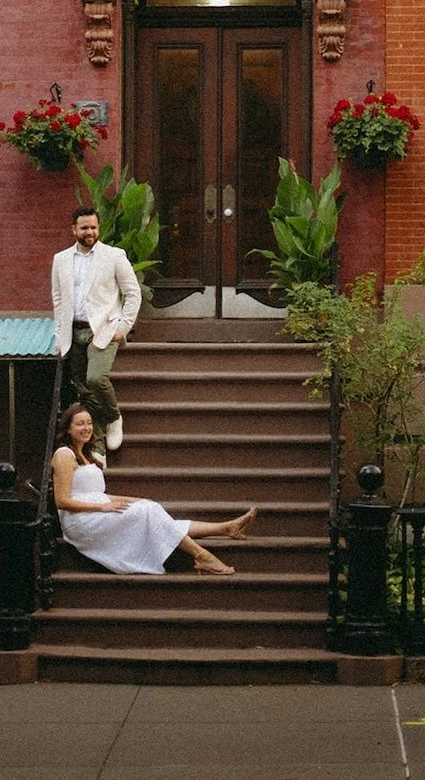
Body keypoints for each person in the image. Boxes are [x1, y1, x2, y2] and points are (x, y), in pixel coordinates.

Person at [51, 404, 257, 575]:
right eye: (80, 424)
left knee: (149, 507)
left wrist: (132, 499)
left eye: (89, 423)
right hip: (81, 522)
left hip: (97, 512)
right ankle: (203, 556)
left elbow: (97, 494)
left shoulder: (87, 455)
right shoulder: (64, 455)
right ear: (68, 428)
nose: (86, 428)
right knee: (150, 513)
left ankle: (225, 528)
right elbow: (62, 501)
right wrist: (102, 509)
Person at [51, 205, 141, 458]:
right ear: (74, 229)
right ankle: (99, 449)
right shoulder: (61, 260)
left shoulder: (114, 256)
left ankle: (114, 417)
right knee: (86, 394)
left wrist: (123, 327)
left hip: (103, 329)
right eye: (84, 228)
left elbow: (133, 293)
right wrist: (60, 337)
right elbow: (58, 300)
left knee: (95, 379)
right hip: (74, 331)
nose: (90, 232)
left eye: (93, 227)